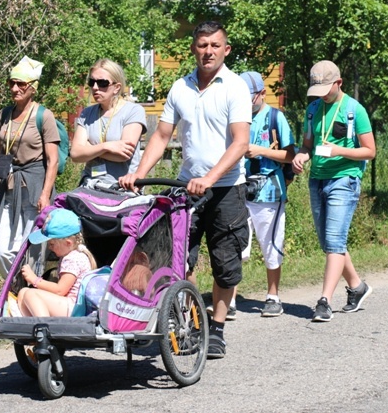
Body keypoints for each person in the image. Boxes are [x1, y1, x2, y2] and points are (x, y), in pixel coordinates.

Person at [119, 21, 251, 359]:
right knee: (178, 260)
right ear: (194, 48)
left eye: (215, 45)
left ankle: (217, 329)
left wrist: (210, 177)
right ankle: (189, 323)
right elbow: (162, 136)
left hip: (225, 189)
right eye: (202, 45)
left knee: (225, 263)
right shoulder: (181, 87)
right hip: (186, 189)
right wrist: (139, 173)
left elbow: (240, 143)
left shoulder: (234, 87)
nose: (208, 51)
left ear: (226, 49)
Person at [292, 60, 376, 322]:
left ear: (338, 83)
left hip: (345, 179)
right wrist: (301, 157)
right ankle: (358, 287)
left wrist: (339, 150)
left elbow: (370, 151)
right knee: (329, 243)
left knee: (335, 242)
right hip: (317, 179)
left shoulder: (354, 110)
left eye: (326, 90)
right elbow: (307, 145)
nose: (321, 96)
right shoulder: (312, 109)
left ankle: (324, 301)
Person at [0, 56, 60, 279]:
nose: (15, 88)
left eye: (21, 84)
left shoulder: (44, 116)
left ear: (32, 88)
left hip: (35, 187)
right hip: (9, 186)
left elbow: (52, 160)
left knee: (32, 249)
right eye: (11, 83)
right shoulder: (4, 114)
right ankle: (15, 290)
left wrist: (45, 194)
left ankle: (29, 300)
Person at [233, 70, 297, 318]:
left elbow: (290, 155)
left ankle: (273, 295)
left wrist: (261, 150)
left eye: (247, 97)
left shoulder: (275, 117)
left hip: (269, 191)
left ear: (261, 93)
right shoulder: (235, 117)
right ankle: (230, 298)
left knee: (270, 244)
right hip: (238, 189)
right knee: (234, 245)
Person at [70, 59, 147, 187]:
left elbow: (124, 154)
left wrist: (89, 149)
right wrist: (106, 147)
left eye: (102, 83)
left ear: (116, 88)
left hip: (122, 188)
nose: (95, 87)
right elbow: (75, 154)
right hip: (90, 185)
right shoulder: (87, 113)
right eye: (92, 82)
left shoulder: (133, 111)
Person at [17, 209, 97, 317]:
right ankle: (32, 327)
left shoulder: (72, 259)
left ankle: (44, 327)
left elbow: (60, 290)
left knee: (31, 294)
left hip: (73, 309)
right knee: (23, 292)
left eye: (52, 244)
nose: (49, 248)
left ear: (68, 243)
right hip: (68, 306)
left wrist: (34, 279)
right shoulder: (74, 255)